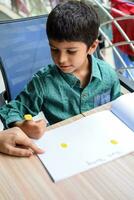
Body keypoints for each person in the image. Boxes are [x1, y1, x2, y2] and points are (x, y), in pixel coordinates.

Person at [0, 1, 121, 139]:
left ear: (92, 47)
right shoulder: (43, 83)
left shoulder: (108, 75)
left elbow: (117, 108)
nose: (61, 59)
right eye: (54, 49)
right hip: (64, 144)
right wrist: (21, 125)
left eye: (71, 51)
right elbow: (10, 110)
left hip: (101, 138)